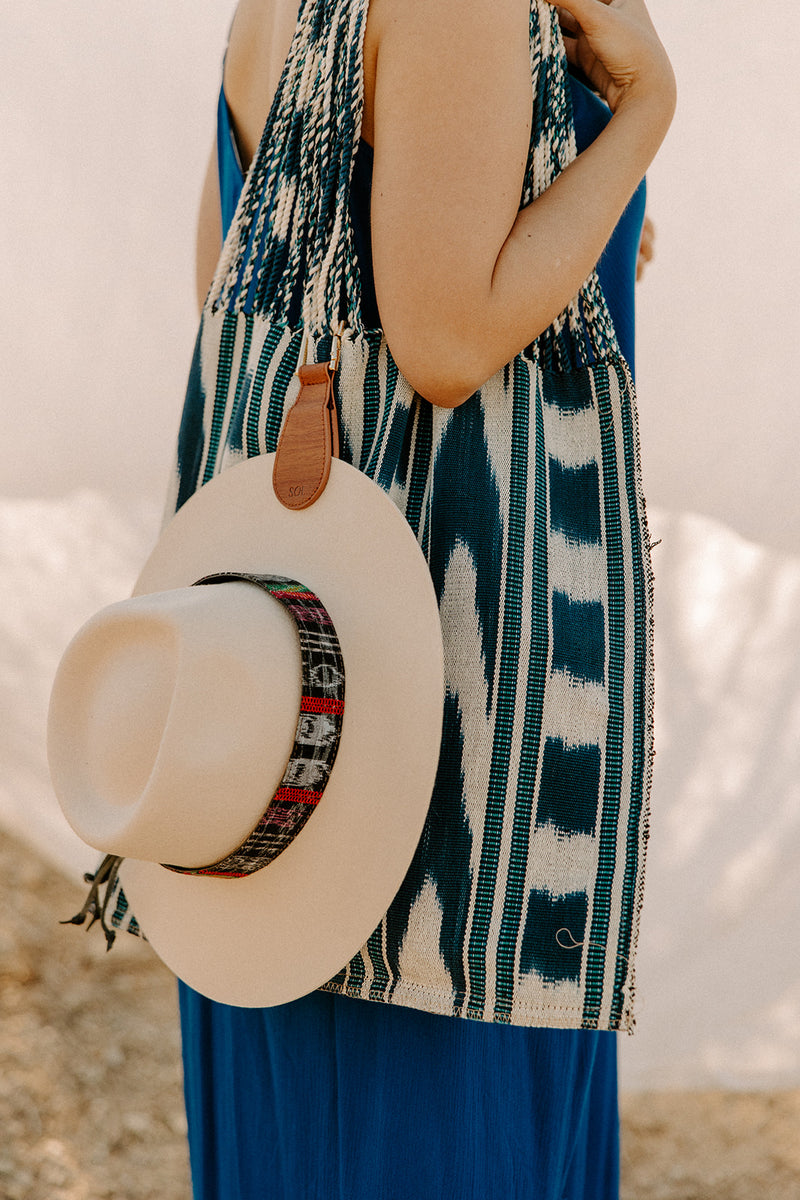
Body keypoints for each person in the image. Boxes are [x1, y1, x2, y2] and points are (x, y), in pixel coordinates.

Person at [180, 0, 675, 1196]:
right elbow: (446, 340)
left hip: (299, 734)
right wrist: (643, 117)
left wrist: (574, 214)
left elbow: (235, 292)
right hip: (433, 770)